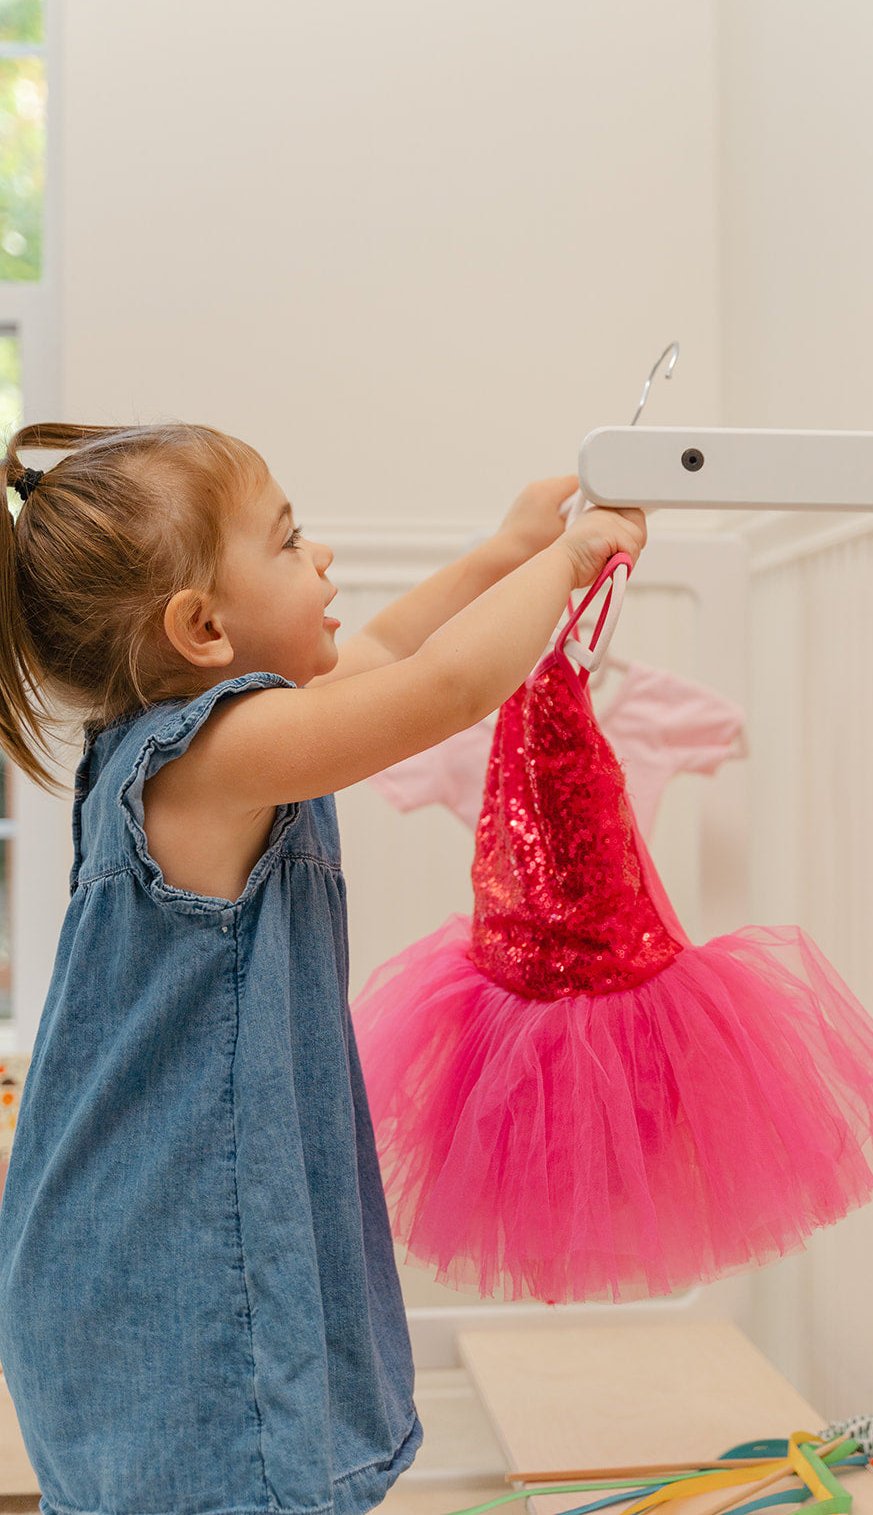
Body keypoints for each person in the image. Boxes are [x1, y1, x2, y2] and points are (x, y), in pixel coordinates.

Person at [0, 420, 646, 1515]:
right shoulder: (214, 755)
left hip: (123, 1236)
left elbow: (388, 650)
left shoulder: (192, 741)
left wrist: (505, 552)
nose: (325, 555)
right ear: (203, 628)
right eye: (291, 540)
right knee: (238, 1472)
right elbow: (442, 688)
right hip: (167, 1253)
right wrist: (572, 558)